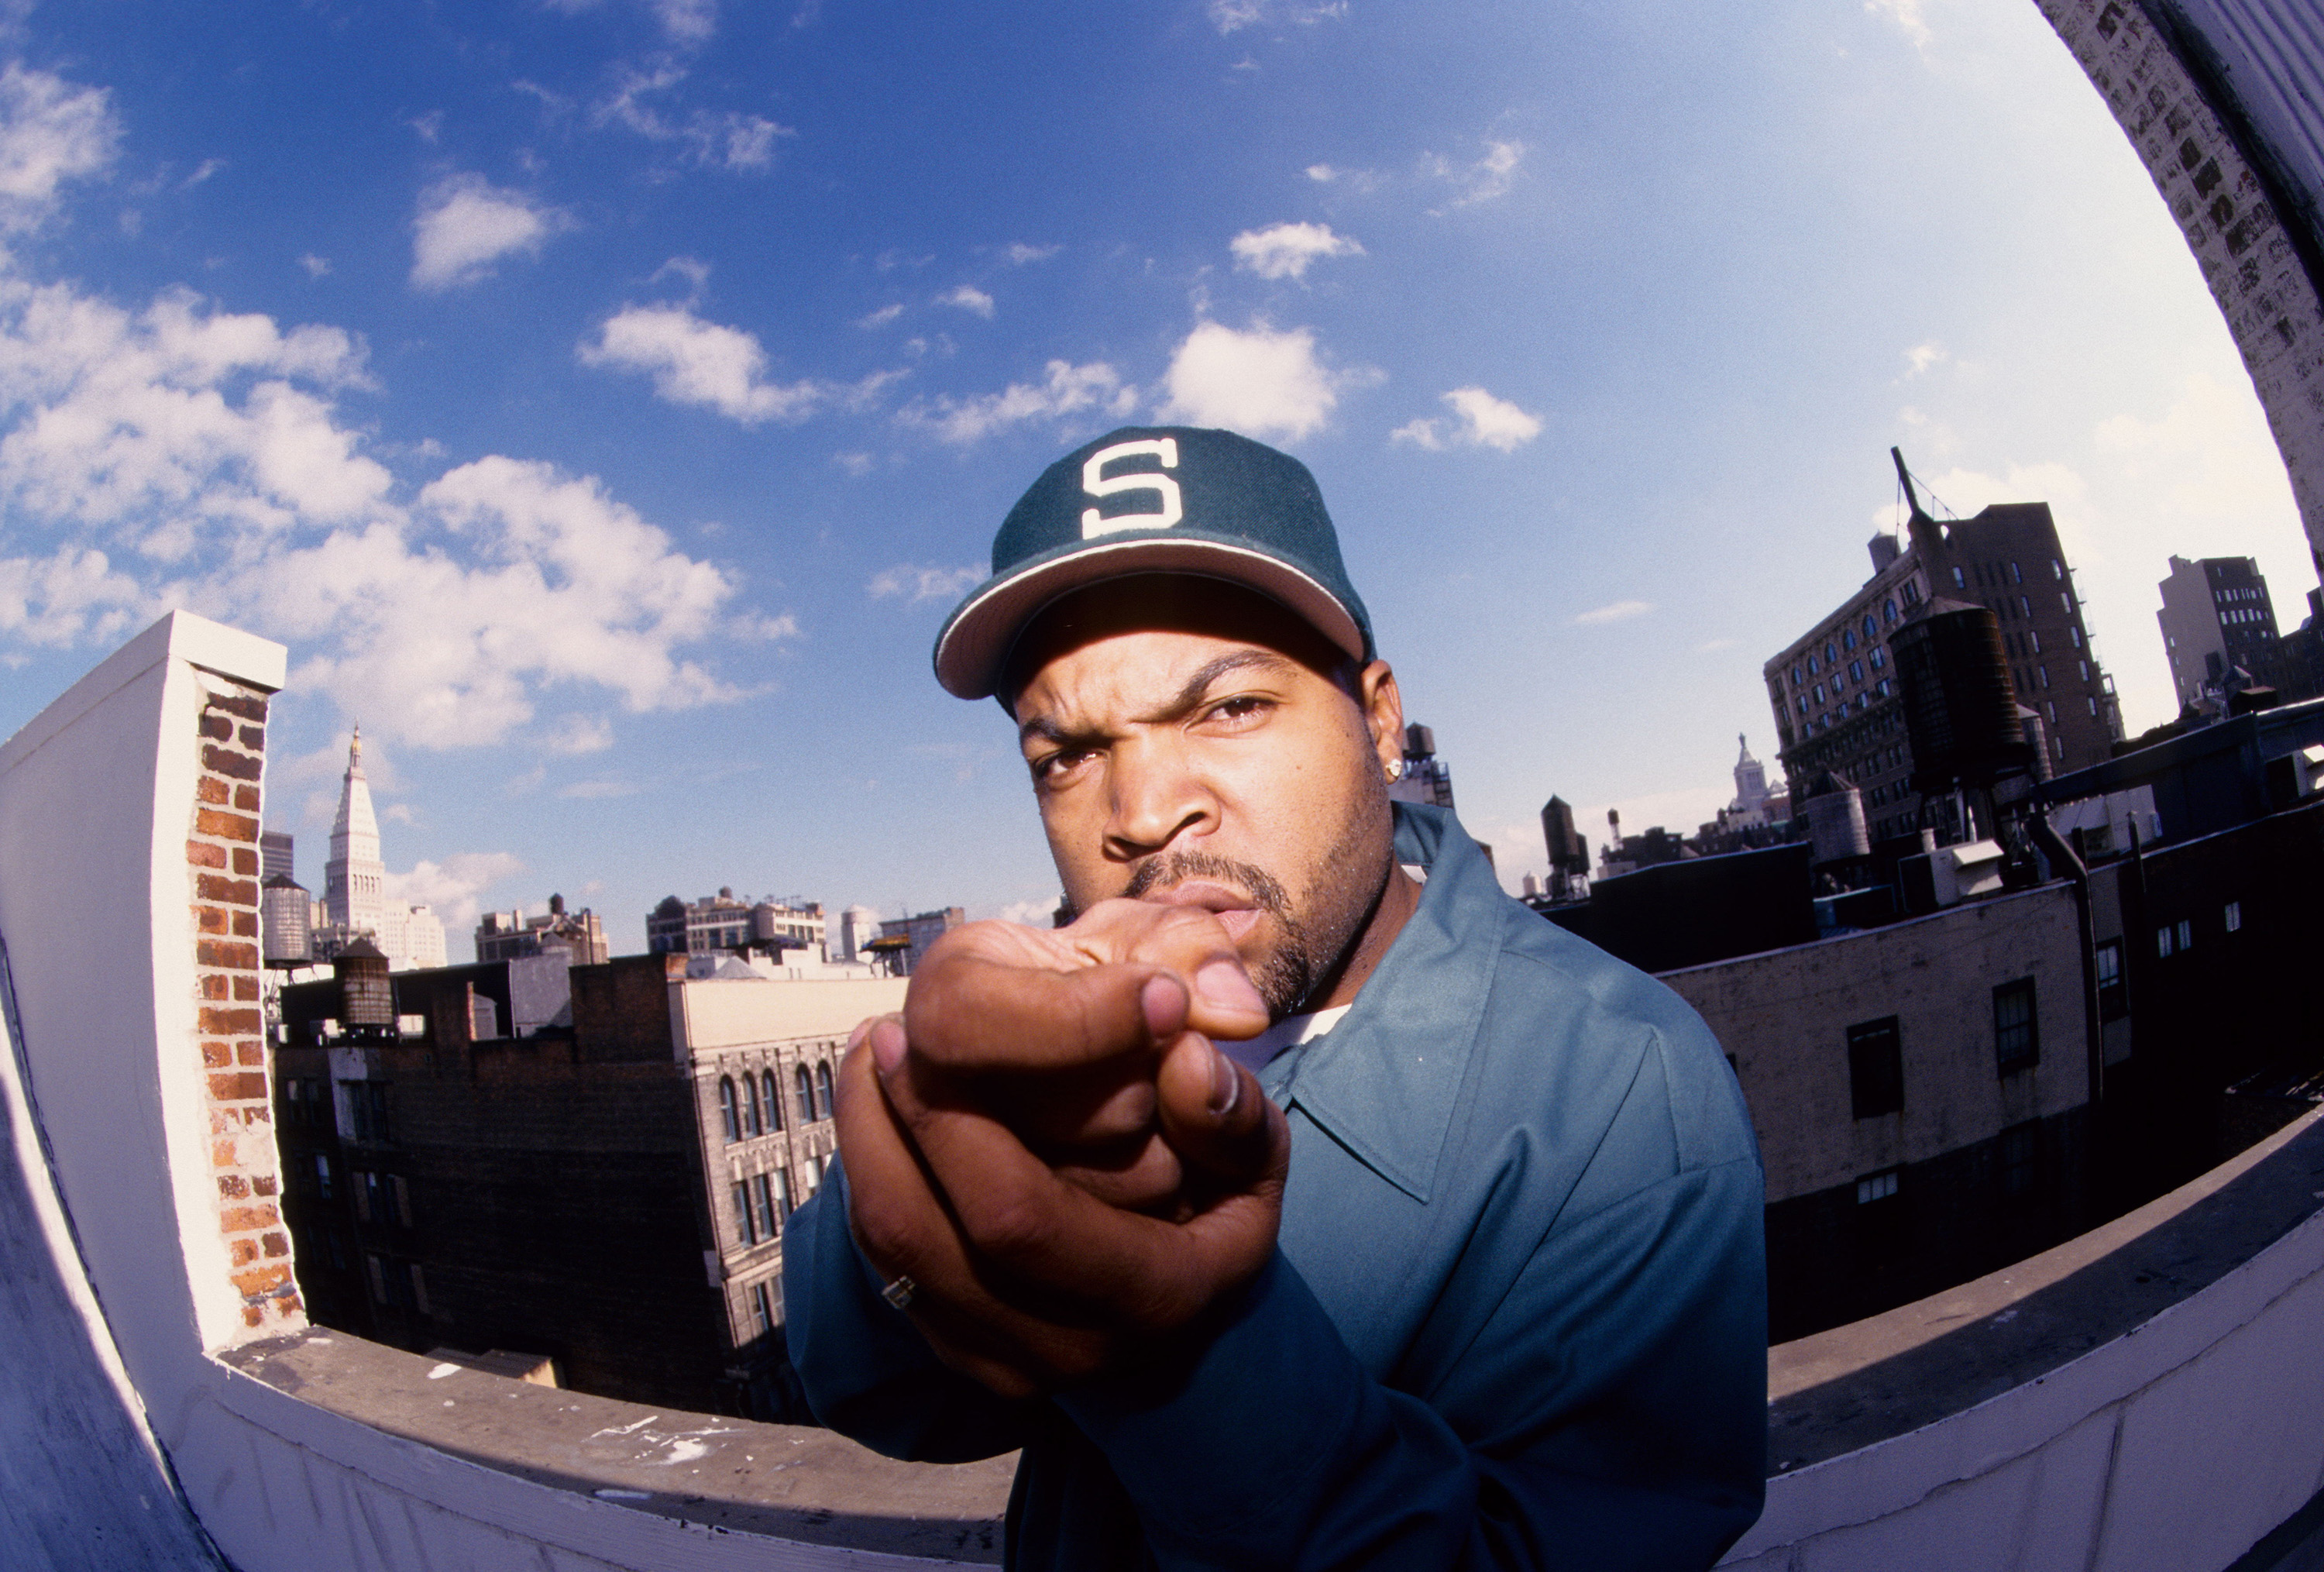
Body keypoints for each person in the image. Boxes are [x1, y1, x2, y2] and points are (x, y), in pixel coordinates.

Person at [784, 426, 1767, 1570]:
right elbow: (869, 1386)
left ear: (1381, 719)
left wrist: (1180, 1350)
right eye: (1066, 754)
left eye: (1230, 706)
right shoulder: (1057, 1014)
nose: (1143, 810)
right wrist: (916, 1134)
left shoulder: (1625, 1093)